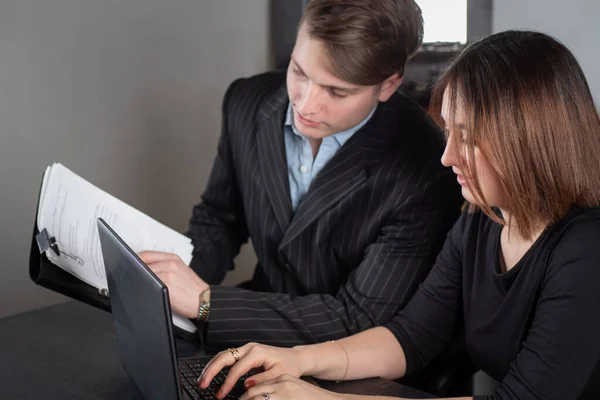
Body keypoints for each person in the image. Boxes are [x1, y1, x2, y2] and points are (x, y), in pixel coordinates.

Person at [199, 30, 600, 400]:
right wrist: (297, 359)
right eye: (449, 133)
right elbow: (411, 336)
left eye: (468, 138)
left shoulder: (586, 248)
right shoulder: (481, 218)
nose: (447, 157)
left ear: (529, 140)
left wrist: (327, 399)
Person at [138, 0, 462, 349]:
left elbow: (359, 318)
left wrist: (207, 303)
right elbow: (219, 219)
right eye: (300, 72)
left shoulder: (426, 167)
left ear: (388, 85)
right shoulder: (246, 102)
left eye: (336, 91)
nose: (305, 105)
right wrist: (164, 285)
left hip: (349, 358)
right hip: (249, 327)